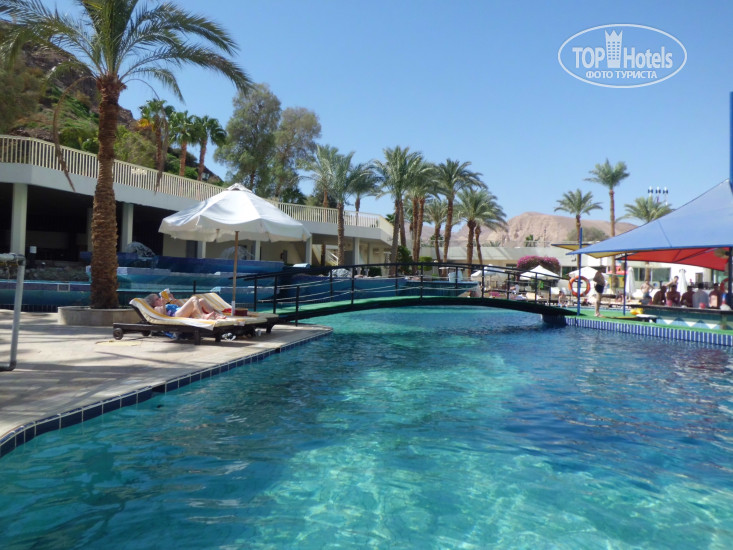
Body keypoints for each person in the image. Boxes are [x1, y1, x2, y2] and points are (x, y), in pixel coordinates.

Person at [144, 293, 225, 320]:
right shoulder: (156, 308)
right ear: (153, 303)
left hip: (181, 312)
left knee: (201, 300)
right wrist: (164, 304)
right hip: (176, 315)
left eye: (158, 298)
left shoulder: (166, 304)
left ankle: (216, 316)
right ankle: (203, 315)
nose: (159, 299)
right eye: (157, 299)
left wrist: (173, 299)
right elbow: (164, 316)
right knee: (193, 298)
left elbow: (181, 307)